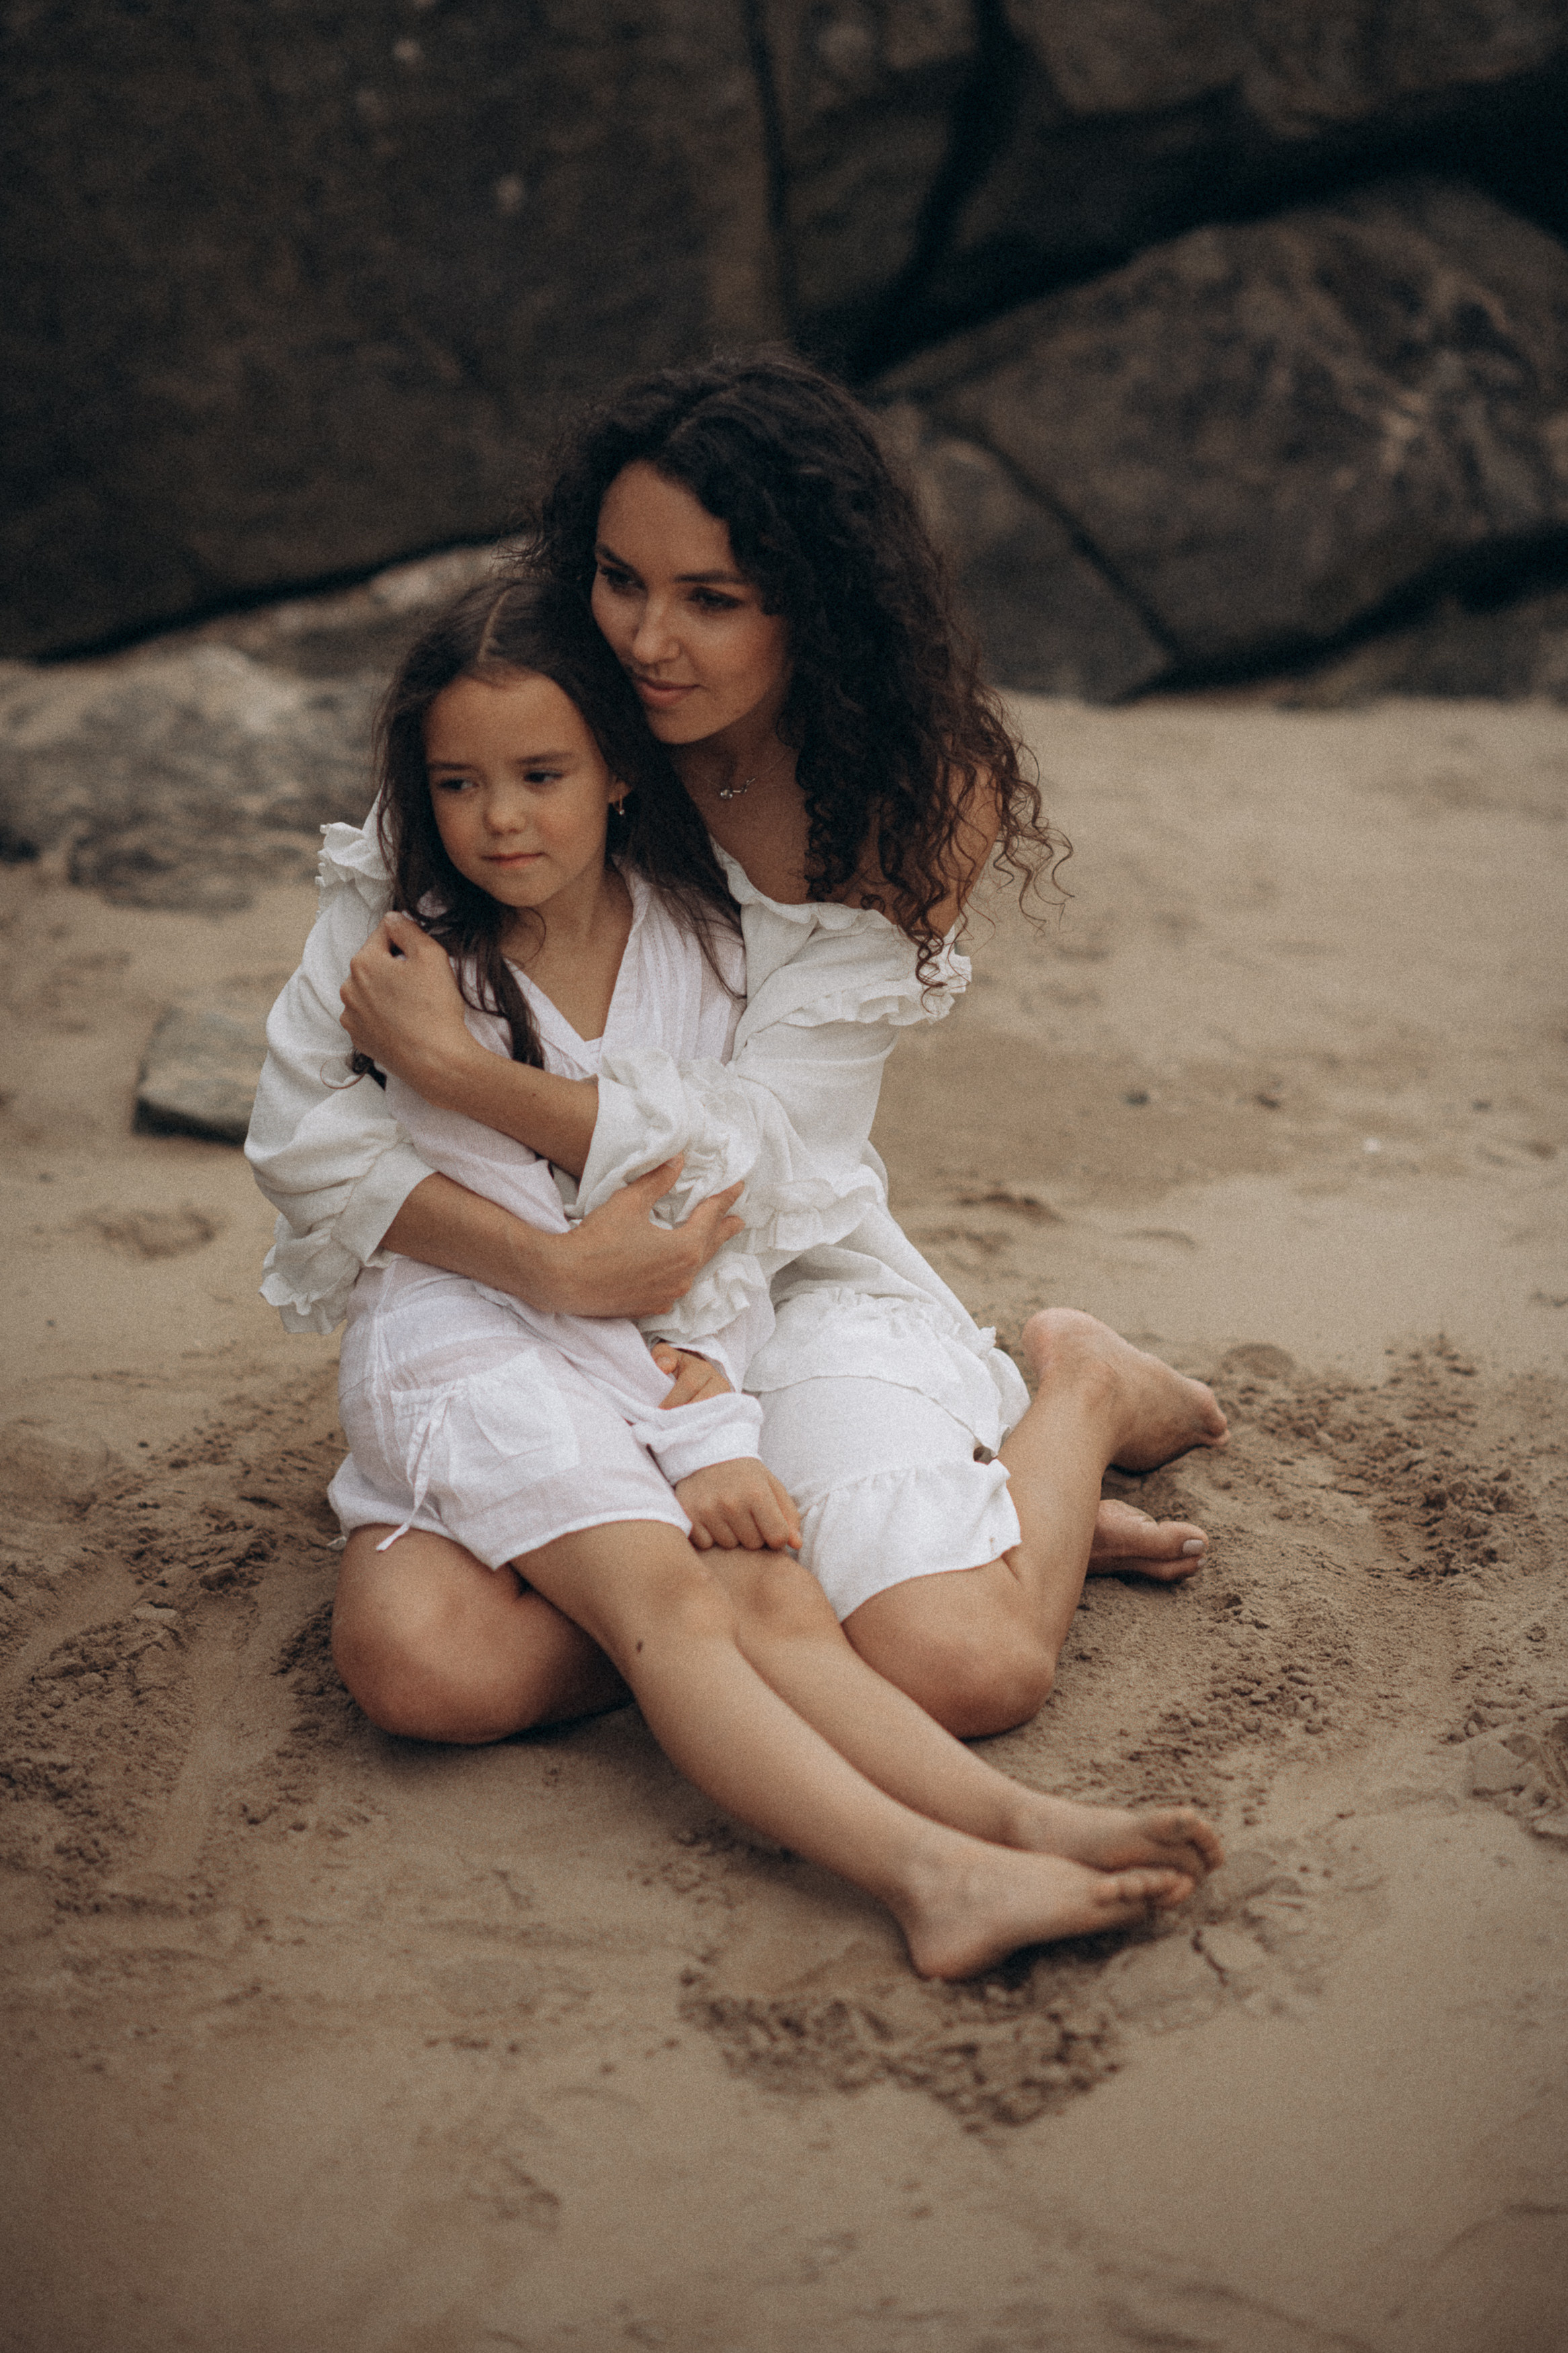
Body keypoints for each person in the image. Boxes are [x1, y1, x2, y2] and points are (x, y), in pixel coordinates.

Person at [248, 350, 1227, 1747]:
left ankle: (1077, 1386)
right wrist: (554, 1266)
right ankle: (822, 1574)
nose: (646, 639)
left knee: (968, 1669)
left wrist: (470, 1078)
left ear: (814, 605)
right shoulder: (528, 733)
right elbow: (308, 1118)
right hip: (515, 1297)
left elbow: (769, 1151)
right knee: (429, 1672)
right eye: (619, 577)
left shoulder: (908, 798)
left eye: (712, 599)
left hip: (774, 1263)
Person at [278, 570, 1222, 1980]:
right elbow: (388, 1192)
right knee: (672, 1602)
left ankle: (1023, 1815)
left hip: (648, 1347)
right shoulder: (420, 954)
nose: (501, 817)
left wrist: (711, 1401)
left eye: (541, 774)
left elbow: (710, 1224)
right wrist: (682, 1421)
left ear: (615, 771)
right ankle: (931, 1874)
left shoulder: (701, 945)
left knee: (771, 1592)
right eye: (459, 783)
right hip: (471, 1351)